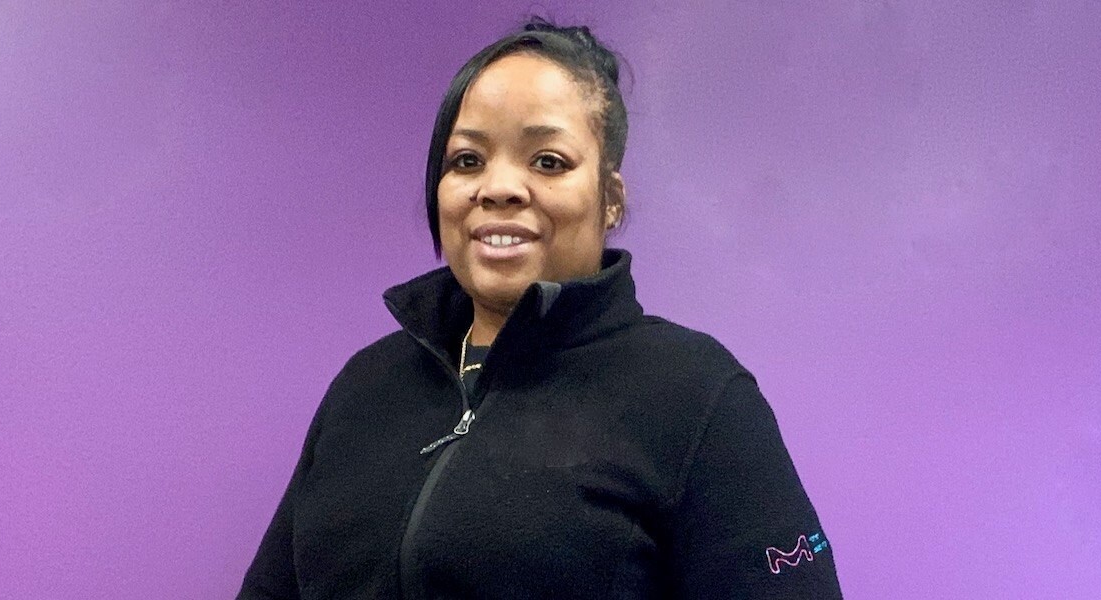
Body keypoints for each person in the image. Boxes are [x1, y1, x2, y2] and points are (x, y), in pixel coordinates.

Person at [238, 18, 843, 599]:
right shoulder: (366, 386)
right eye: (467, 160)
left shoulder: (695, 394)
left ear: (610, 198)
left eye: (547, 161)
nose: (498, 187)